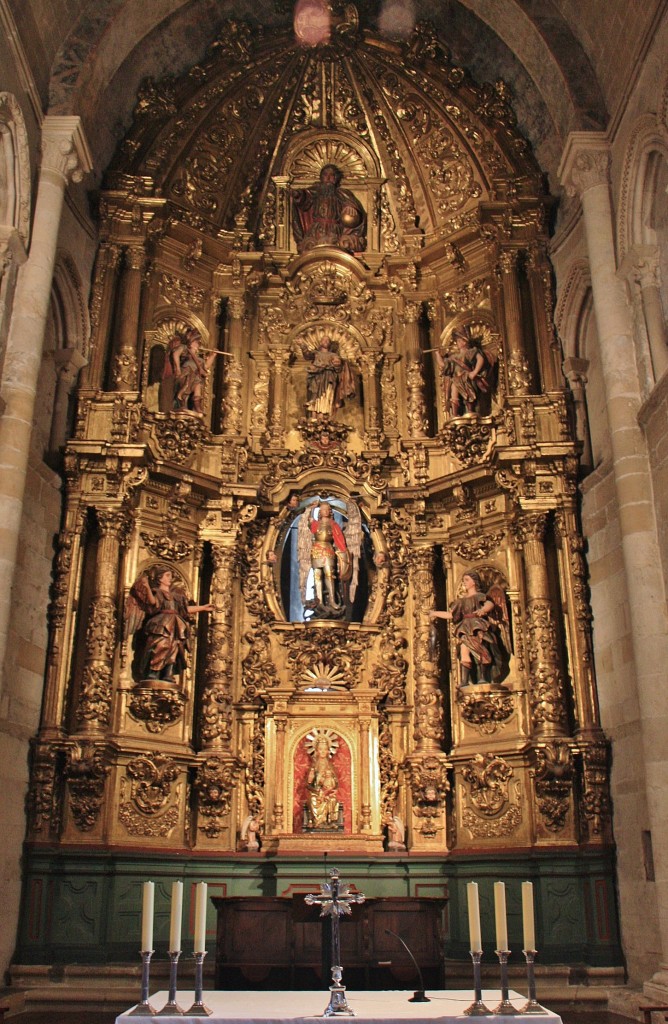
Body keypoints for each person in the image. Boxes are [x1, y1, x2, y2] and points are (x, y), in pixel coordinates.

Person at [125, 565, 214, 682]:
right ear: (160, 578)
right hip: (162, 623)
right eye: (167, 576)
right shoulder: (157, 592)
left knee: (174, 647)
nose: (170, 579)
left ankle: (168, 672)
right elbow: (153, 602)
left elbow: (184, 610)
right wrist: (146, 587)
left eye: (171, 576)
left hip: (176, 624)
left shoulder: (176, 597)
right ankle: (154, 672)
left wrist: (202, 608)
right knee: (161, 645)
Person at [429, 571, 509, 687]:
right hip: (465, 628)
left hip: (478, 627)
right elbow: (451, 615)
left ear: (474, 582)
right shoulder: (461, 601)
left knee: (480, 651)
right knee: (464, 651)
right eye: (464, 580)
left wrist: (483, 610)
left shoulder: (479, 596)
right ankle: (464, 680)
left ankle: (482, 677)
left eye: (467, 580)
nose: (464, 583)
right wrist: (435, 613)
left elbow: (490, 604)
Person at [292, 163, 366, 254]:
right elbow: (305, 198)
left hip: (335, 230)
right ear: (321, 177)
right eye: (325, 175)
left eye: (332, 175)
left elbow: (351, 204)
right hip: (316, 230)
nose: (328, 178)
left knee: (335, 251)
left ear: (335, 179)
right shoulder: (315, 191)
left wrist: (351, 208)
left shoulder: (342, 194)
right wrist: (298, 195)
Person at [435, 326, 495, 417]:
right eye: (457, 341)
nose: (457, 343)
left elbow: (480, 359)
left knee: (468, 395)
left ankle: (470, 410)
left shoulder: (471, 352)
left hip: (467, 378)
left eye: (459, 341)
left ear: (464, 341)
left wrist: (474, 372)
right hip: (457, 379)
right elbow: (443, 364)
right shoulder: (454, 357)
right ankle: (454, 414)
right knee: (454, 391)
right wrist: (437, 354)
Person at [303, 501, 351, 615]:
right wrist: (311, 508)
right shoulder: (316, 524)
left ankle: (332, 600)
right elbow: (308, 521)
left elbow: (339, 538)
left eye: (327, 509)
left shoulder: (333, 524)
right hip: (316, 550)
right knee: (317, 575)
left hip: (328, 549)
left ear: (329, 512)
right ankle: (319, 602)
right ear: (320, 512)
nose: (325, 511)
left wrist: (343, 551)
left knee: (329, 574)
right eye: (323, 509)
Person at [301, 335, 356, 418]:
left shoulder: (333, 355)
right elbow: (307, 355)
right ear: (320, 342)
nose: (326, 341)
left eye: (327, 340)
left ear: (330, 344)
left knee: (326, 395)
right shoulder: (316, 353)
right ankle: (314, 417)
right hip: (316, 378)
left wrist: (338, 363)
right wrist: (302, 345)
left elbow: (338, 366)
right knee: (314, 395)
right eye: (324, 340)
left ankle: (323, 417)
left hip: (329, 378)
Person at [171, 328, 216, 414]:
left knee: (198, 385)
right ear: (190, 342)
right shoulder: (184, 348)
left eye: (198, 342)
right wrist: (177, 368)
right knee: (187, 385)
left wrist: (213, 355)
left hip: (195, 376)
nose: (197, 344)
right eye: (195, 342)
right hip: (186, 372)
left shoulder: (199, 359)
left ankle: (197, 406)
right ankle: (180, 399)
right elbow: (175, 354)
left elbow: (206, 366)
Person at [305, 734, 341, 830]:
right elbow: (308, 784)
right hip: (315, 793)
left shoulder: (330, 766)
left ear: (328, 751)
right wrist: (317, 791)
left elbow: (336, 783)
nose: (323, 752)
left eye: (325, 749)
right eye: (320, 749)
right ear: (316, 751)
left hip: (328, 793)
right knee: (313, 800)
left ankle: (331, 822)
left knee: (333, 799)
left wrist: (333, 789)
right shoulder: (313, 767)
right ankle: (319, 822)